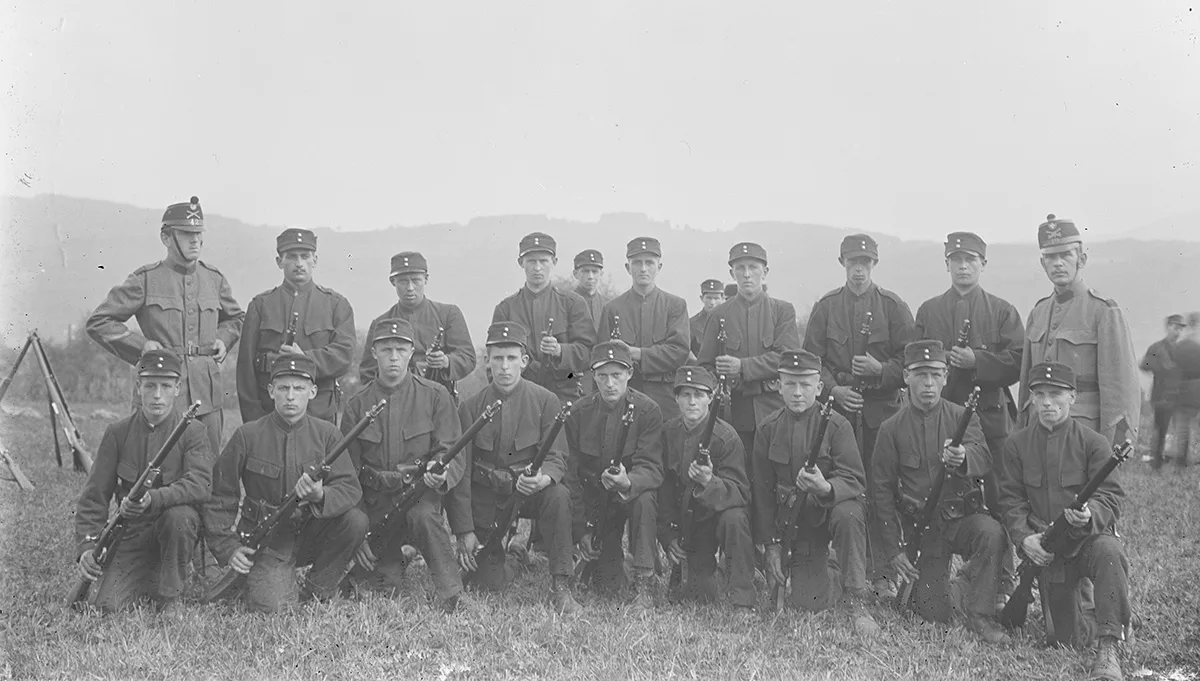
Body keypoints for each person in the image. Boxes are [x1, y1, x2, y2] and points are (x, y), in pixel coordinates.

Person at [998, 362, 1132, 681]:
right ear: (1030, 399)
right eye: (1039, 395)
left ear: (1072, 397)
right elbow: (1009, 500)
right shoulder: (1016, 445)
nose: (1047, 403)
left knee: (1110, 554)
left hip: (1086, 541)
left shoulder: (1094, 443)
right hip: (1046, 549)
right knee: (1065, 640)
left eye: (1056, 394)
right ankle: (1104, 607)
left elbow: (1111, 498)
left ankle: (1109, 647)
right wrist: (1024, 539)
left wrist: (1090, 516)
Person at [204, 354, 366, 613]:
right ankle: (261, 579)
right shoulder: (248, 435)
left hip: (313, 532)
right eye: (283, 388)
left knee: (355, 521)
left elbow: (349, 489)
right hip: (269, 541)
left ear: (312, 392)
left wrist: (320, 495)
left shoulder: (327, 434)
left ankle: (317, 589)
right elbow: (219, 495)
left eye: (299, 388)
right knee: (275, 608)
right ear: (271, 391)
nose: (291, 396)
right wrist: (229, 547)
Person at [871, 340, 1009, 643]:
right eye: (920, 375)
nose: (928, 384)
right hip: (924, 529)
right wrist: (895, 549)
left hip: (960, 520)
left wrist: (963, 460)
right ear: (906, 377)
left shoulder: (964, 416)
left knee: (991, 533)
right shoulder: (890, 429)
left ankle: (980, 614)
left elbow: (984, 457)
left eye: (935, 374)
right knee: (932, 613)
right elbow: (880, 491)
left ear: (946, 376)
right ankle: (960, 585)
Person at [87, 196, 243, 455]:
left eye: (198, 233)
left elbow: (236, 318)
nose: (195, 240)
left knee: (207, 467)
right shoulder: (145, 279)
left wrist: (223, 338)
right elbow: (99, 322)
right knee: (157, 465)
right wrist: (142, 347)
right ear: (166, 238)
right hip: (162, 391)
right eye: (186, 233)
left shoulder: (214, 279)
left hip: (207, 394)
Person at [913, 231, 1023, 600]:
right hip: (940, 418)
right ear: (946, 264)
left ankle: (1002, 582)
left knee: (998, 500)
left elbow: (1018, 363)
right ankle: (933, 577)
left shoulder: (1003, 310)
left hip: (991, 422)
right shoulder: (929, 311)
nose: (963, 266)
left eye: (971, 260)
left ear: (983, 265)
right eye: (956, 259)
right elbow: (914, 360)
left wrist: (979, 361)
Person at [802, 233, 915, 593]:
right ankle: (845, 566)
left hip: (881, 415)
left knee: (881, 492)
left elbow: (910, 363)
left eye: (865, 264)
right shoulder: (826, 307)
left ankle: (882, 574)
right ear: (843, 265)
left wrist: (880, 370)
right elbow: (812, 362)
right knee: (843, 490)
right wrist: (834, 390)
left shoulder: (894, 307)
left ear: (874, 265)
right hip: (838, 416)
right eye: (853, 263)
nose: (859, 271)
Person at [450, 322, 582, 614]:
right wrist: (464, 530)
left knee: (558, 496)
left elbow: (557, 456)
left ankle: (561, 585)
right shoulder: (470, 409)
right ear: (488, 361)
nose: (505, 367)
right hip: (490, 499)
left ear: (524, 361)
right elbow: (462, 475)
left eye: (511, 358)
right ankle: (516, 556)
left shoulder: (546, 401)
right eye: (497, 358)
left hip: (530, 493)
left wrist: (543, 479)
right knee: (487, 582)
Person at [74, 349, 213, 614]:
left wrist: (154, 499)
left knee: (180, 517)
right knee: (106, 607)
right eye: (150, 385)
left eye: (165, 386)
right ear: (138, 387)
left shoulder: (193, 431)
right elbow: (94, 496)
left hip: (173, 529)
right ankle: (149, 573)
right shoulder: (118, 432)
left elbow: (201, 484)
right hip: (131, 533)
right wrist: (87, 547)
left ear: (177, 388)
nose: (157, 395)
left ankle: (171, 596)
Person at [342, 319, 467, 612]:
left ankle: (452, 593)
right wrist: (358, 529)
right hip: (376, 505)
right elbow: (346, 472)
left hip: (419, 496)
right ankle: (397, 559)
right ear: (374, 352)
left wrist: (441, 469)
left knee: (424, 515)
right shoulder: (357, 405)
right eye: (386, 349)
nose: (394, 357)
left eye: (401, 349)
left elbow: (449, 448)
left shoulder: (436, 396)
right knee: (379, 584)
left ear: (412, 353)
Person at [753, 350, 879, 636]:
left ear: (819, 388)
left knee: (850, 511)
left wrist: (826, 488)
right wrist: (771, 546)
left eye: (806, 385)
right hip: (793, 525)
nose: (798, 393)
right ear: (778, 385)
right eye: (790, 384)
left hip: (828, 517)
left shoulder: (837, 425)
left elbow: (855, 480)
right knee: (806, 602)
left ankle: (857, 598)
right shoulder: (767, 429)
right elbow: (761, 492)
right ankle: (829, 565)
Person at [1019, 215, 1140, 446]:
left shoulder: (1103, 311)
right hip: (1039, 429)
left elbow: (1120, 385)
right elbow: (1027, 385)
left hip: (1086, 431)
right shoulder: (1038, 312)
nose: (1058, 263)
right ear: (1042, 263)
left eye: (1065, 255)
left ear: (1081, 259)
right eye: (1050, 257)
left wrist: (1117, 438)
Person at [566, 341, 664, 609]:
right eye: (602, 376)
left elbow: (652, 468)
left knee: (645, 499)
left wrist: (628, 482)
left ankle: (645, 580)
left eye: (617, 375)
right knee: (606, 584)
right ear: (593, 377)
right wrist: (581, 530)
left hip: (629, 497)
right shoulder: (579, 412)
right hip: (596, 503)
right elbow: (572, 475)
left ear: (629, 374)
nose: (610, 384)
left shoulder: (648, 410)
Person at [695, 242, 801, 483]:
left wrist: (742, 367)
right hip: (735, 414)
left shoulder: (782, 311)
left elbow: (787, 357)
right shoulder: (718, 315)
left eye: (753, 267)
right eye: (739, 268)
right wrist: (717, 384)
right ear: (731, 273)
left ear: (765, 271)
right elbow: (705, 366)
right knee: (740, 477)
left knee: (778, 478)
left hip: (775, 409)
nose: (746, 273)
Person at [657, 365, 755, 612]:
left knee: (735, 518)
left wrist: (709, 482)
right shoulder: (667, 433)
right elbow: (663, 490)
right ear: (676, 398)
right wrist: (668, 537)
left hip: (716, 520)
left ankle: (742, 597)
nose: (692, 402)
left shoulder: (727, 438)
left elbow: (741, 494)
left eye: (699, 395)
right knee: (697, 595)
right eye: (686, 395)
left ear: (711, 398)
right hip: (686, 526)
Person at [237, 228, 356, 424]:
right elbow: (246, 370)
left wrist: (306, 358)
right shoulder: (261, 305)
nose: (299, 263)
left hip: (318, 415)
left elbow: (344, 355)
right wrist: (254, 422)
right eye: (291, 257)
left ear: (315, 260)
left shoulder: (336, 305)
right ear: (279, 261)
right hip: (269, 414)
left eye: (305, 256)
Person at [493, 232, 597, 404]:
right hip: (519, 397)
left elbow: (589, 352)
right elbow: (494, 358)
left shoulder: (572, 304)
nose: (538, 267)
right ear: (521, 263)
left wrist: (560, 350)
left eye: (544, 261)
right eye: (531, 261)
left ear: (554, 262)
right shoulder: (506, 309)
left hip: (564, 396)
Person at [357, 252, 476, 400]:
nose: (410, 288)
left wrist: (447, 361)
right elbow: (367, 372)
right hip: (395, 401)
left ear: (426, 279)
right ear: (392, 282)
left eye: (416, 280)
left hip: (439, 401)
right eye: (403, 281)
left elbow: (468, 358)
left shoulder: (449, 314)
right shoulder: (380, 324)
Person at [597, 237, 691, 420]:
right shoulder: (612, 309)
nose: (643, 268)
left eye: (649, 263)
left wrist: (635, 353)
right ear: (627, 267)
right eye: (637, 263)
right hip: (624, 397)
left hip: (665, 397)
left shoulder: (675, 306)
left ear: (659, 267)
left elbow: (679, 352)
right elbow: (600, 358)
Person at [1140, 314, 1185, 469]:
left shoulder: (1183, 350)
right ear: (1168, 327)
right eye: (1175, 327)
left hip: (1179, 396)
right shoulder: (1157, 348)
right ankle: (1157, 463)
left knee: (1182, 431)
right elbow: (1144, 365)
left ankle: (1180, 464)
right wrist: (1159, 367)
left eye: (1180, 328)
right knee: (1161, 431)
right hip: (1162, 397)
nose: (1177, 332)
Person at [1171, 312, 1200, 468]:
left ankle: (1182, 460)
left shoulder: (1180, 346)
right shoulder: (1197, 345)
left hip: (1183, 389)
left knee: (1183, 427)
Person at [572, 249, 610, 333]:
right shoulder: (567, 302)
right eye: (585, 271)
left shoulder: (608, 305)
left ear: (601, 274)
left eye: (594, 271)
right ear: (575, 274)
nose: (590, 276)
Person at [689, 279, 726, 358]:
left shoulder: (732, 321)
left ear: (723, 299)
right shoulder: (692, 324)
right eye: (709, 298)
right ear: (702, 298)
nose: (712, 303)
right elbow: (686, 350)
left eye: (716, 298)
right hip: (702, 368)